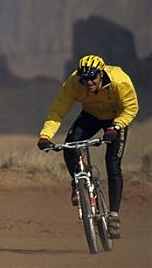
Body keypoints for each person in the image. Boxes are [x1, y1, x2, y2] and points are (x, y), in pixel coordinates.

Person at [37, 54, 139, 239]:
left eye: (93, 77)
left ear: (101, 74)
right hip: (90, 116)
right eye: (85, 78)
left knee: (112, 163)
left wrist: (116, 126)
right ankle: (78, 183)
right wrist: (45, 135)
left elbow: (131, 107)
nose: (89, 82)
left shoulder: (119, 81)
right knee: (69, 147)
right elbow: (58, 110)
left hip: (115, 119)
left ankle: (114, 215)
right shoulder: (75, 83)